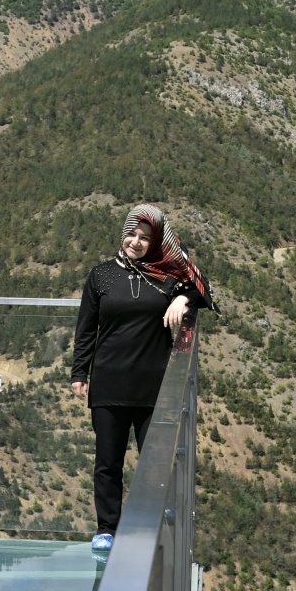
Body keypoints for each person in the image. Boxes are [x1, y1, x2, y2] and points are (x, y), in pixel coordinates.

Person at [71, 204, 213, 557]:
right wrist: (79, 373)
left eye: (145, 237)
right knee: (107, 462)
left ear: (156, 242)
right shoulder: (101, 275)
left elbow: (204, 291)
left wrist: (183, 296)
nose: (136, 242)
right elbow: (86, 328)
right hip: (108, 382)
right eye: (132, 234)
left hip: (154, 385)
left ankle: (145, 527)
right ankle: (107, 528)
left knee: (153, 463)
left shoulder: (167, 277)